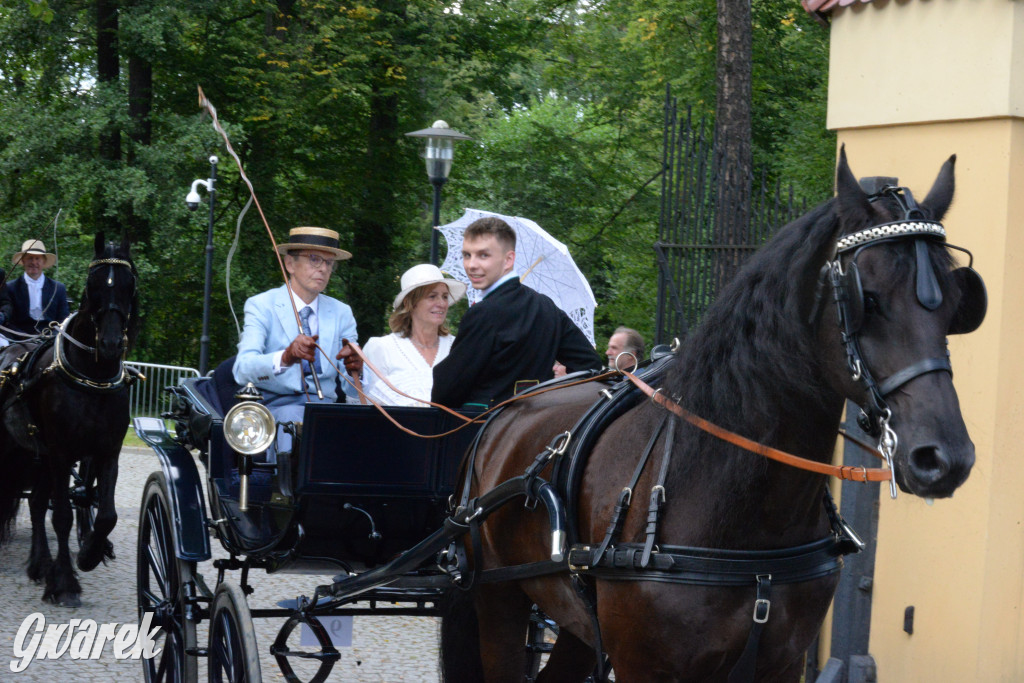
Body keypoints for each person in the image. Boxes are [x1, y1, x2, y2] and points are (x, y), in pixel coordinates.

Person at [432, 216, 602, 408]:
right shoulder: (547, 308)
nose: (471, 265)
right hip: (540, 428)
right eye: (467, 255)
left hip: (484, 430)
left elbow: (446, 389)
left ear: (508, 260)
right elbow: (590, 366)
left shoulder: (483, 313)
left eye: (483, 255)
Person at [233, 227, 363, 453]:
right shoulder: (262, 305)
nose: (323, 268)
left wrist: (357, 371)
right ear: (290, 264)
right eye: (314, 259)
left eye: (329, 263)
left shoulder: (342, 312)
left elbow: (352, 392)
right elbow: (242, 370)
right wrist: (285, 357)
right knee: (297, 424)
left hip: (327, 412)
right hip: (275, 411)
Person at [361, 264, 466, 407]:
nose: (441, 303)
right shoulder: (382, 348)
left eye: (445, 296)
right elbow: (365, 402)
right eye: (432, 296)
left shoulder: (458, 348)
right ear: (410, 302)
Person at [5, 239, 70, 336]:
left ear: (44, 261)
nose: (34, 262)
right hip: (19, 337)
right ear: (23, 261)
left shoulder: (58, 288)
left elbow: (63, 318)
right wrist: (23, 337)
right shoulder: (11, 287)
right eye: (30, 258)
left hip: (51, 337)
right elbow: (9, 320)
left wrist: (54, 336)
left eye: (37, 258)